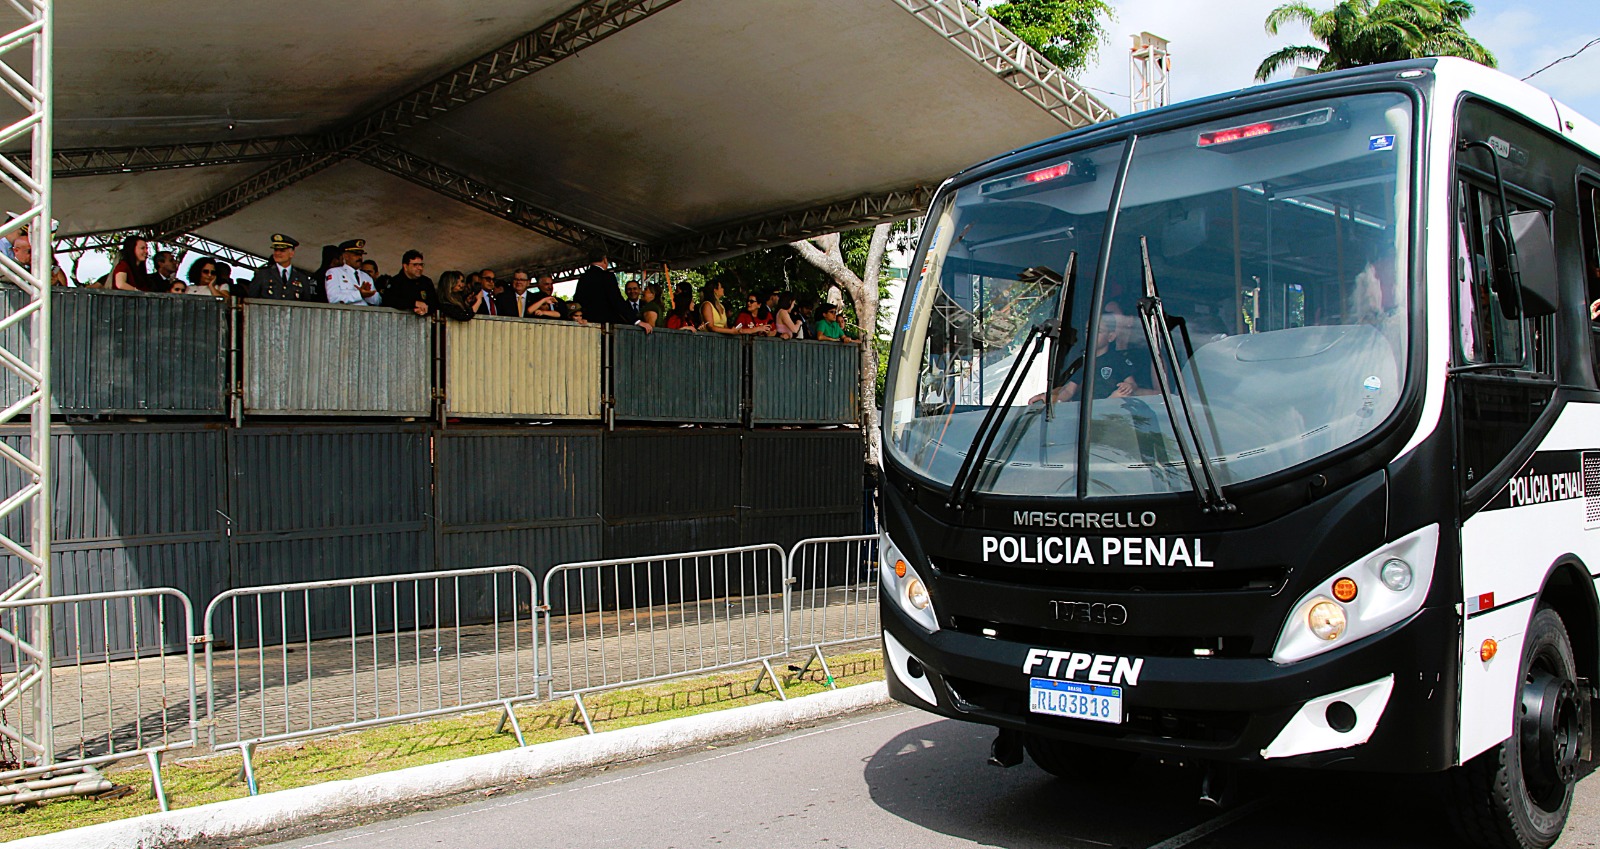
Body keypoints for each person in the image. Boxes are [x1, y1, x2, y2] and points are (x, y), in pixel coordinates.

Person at [1032, 306, 1152, 404]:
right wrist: (1049, 399)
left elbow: (1132, 384)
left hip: (1113, 414)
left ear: (1111, 337)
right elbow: (1069, 390)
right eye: (1087, 331)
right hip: (1088, 416)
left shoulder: (1117, 360)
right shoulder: (1083, 362)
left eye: (1098, 331)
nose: (1091, 335)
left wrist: (1128, 386)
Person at [574, 252, 651, 333]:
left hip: (587, 326)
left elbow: (577, 300)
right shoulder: (607, 276)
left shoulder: (583, 277)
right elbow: (617, 300)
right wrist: (637, 321)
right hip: (605, 327)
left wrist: (580, 317)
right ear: (604, 260)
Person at [248, 234, 320, 301]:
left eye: (282, 250)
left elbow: (306, 304)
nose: (277, 253)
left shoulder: (302, 277)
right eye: (276, 250)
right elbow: (252, 300)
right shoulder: (262, 274)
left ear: (291, 253)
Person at [324, 239, 381, 305]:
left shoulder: (366, 276)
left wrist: (368, 294)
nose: (360, 257)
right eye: (356, 254)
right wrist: (359, 294)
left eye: (361, 255)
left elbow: (378, 302)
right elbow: (333, 299)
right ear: (346, 256)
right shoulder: (334, 272)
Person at [384, 250, 436, 316]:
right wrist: (414, 303)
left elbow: (434, 303)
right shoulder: (396, 282)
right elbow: (388, 300)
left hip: (424, 323)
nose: (420, 268)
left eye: (421, 265)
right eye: (415, 265)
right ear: (405, 266)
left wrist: (425, 310)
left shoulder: (426, 282)